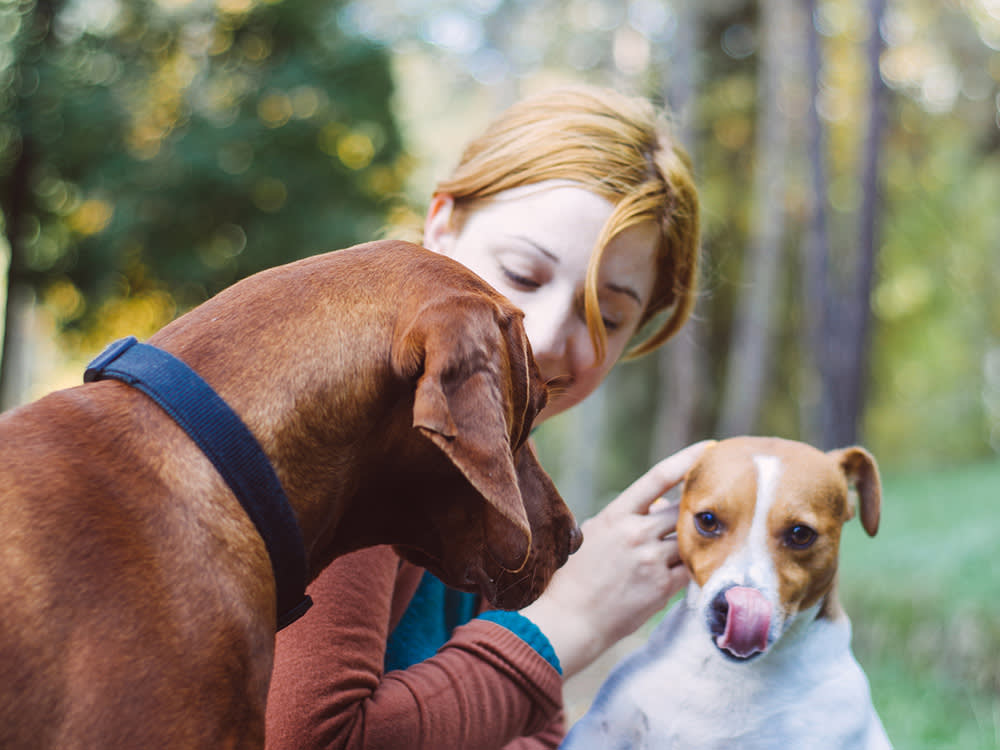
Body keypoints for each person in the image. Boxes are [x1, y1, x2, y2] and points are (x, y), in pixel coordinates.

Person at [265, 84, 709, 750]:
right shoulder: (364, 430)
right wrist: (570, 619)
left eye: (606, 316)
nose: (548, 335)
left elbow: (530, 732)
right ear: (441, 223)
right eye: (523, 273)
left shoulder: (501, 467)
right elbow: (312, 739)